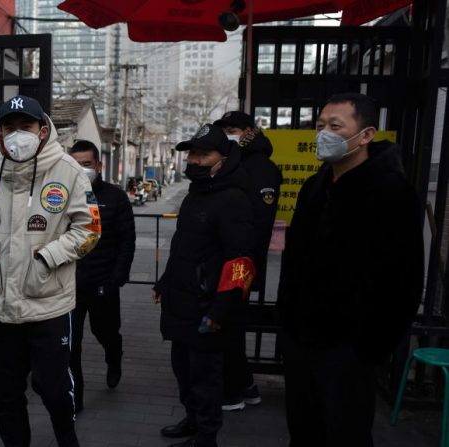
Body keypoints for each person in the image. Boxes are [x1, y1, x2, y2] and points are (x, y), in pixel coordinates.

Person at [278, 92, 423, 446]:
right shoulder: (314, 187)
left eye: (335, 126)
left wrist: (368, 347)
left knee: (346, 434)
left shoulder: (391, 192)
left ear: (367, 135)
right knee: (303, 430)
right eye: (320, 125)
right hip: (302, 341)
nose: (323, 133)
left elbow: (404, 281)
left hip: (349, 349)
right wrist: (288, 326)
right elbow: (294, 262)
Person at [0, 94, 101, 447]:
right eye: (10, 127)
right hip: (0, 305)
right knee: (6, 392)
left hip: (48, 304)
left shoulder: (69, 172)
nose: (18, 134)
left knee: (52, 388)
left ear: (42, 129)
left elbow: (89, 230)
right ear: (0, 132)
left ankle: (67, 438)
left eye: (26, 127)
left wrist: (47, 257)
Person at [154, 124, 255, 447]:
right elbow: (184, 246)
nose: (194, 161)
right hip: (181, 301)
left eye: (203, 154)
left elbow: (240, 262)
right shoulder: (197, 193)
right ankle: (192, 420)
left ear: (223, 159)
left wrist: (220, 309)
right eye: (192, 154)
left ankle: (206, 437)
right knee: (184, 372)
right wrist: (165, 281)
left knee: (205, 379)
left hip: (208, 308)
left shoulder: (234, 199)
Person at [213, 111, 283, 411]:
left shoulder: (261, 167)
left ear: (249, 131)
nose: (228, 133)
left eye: (233, 128)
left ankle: (232, 392)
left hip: (241, 263)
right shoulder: (235, 161)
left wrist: (244, 269)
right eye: (224, 129)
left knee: (228, 325)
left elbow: (259, 223)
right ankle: (245, 385)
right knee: (229, 325)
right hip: (225, 260)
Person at [67, 139, 136, 413]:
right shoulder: (59, 194)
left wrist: (115, 279)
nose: (81, 169)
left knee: (104, 331)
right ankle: (76, 398)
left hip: (103, 284)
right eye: (75, 164)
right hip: (69, 285)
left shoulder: (115, 197)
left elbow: (126, 242)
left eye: (86, 164)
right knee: (71, 345)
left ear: (98, 165)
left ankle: (114, 355)